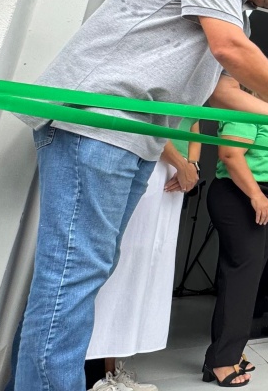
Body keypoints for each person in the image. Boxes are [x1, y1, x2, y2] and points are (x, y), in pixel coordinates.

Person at [8, 0, 268, 391]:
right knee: (74, 272)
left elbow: (219, 93)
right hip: (100, 125)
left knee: (83, 271)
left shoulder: (228, 9)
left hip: (130, 138)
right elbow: (231, 51)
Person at [85, 120, 201, 391]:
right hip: (148, 160)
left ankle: (109, 371)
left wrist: (192, 166)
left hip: (178, 173)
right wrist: (182, 164)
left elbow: (194, 123)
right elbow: (151, 121)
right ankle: (93, 376)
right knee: (122, 264)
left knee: (146, 268)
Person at [203, 60, 268, 387]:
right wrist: (258, 196)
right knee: (241, 276)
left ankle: (227, 352)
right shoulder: (246, 111)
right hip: (240, 199)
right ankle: (222, 361)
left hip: (265, 200)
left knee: (248, 276)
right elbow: (231, 155)